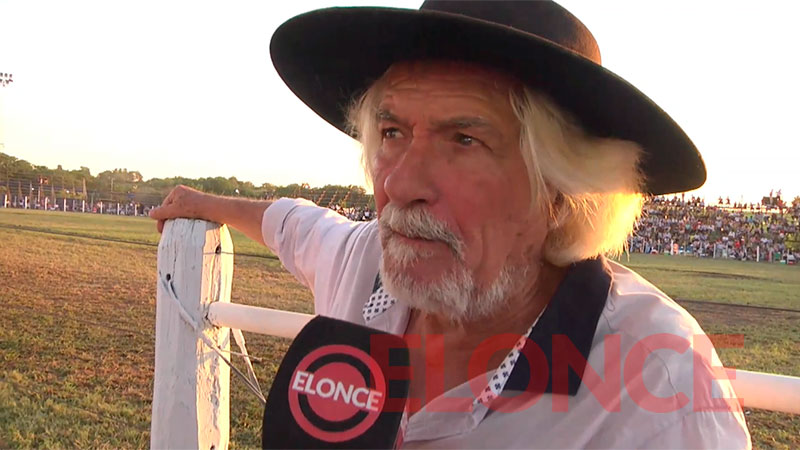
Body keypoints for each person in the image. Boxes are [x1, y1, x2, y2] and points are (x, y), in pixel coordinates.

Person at [150, 1, 750, 447]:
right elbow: (294, 226)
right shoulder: (367, 262)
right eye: (392, 133)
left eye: (464, 140)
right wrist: (204, 202)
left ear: (564, 191)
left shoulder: (662, 394)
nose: (399, 184)